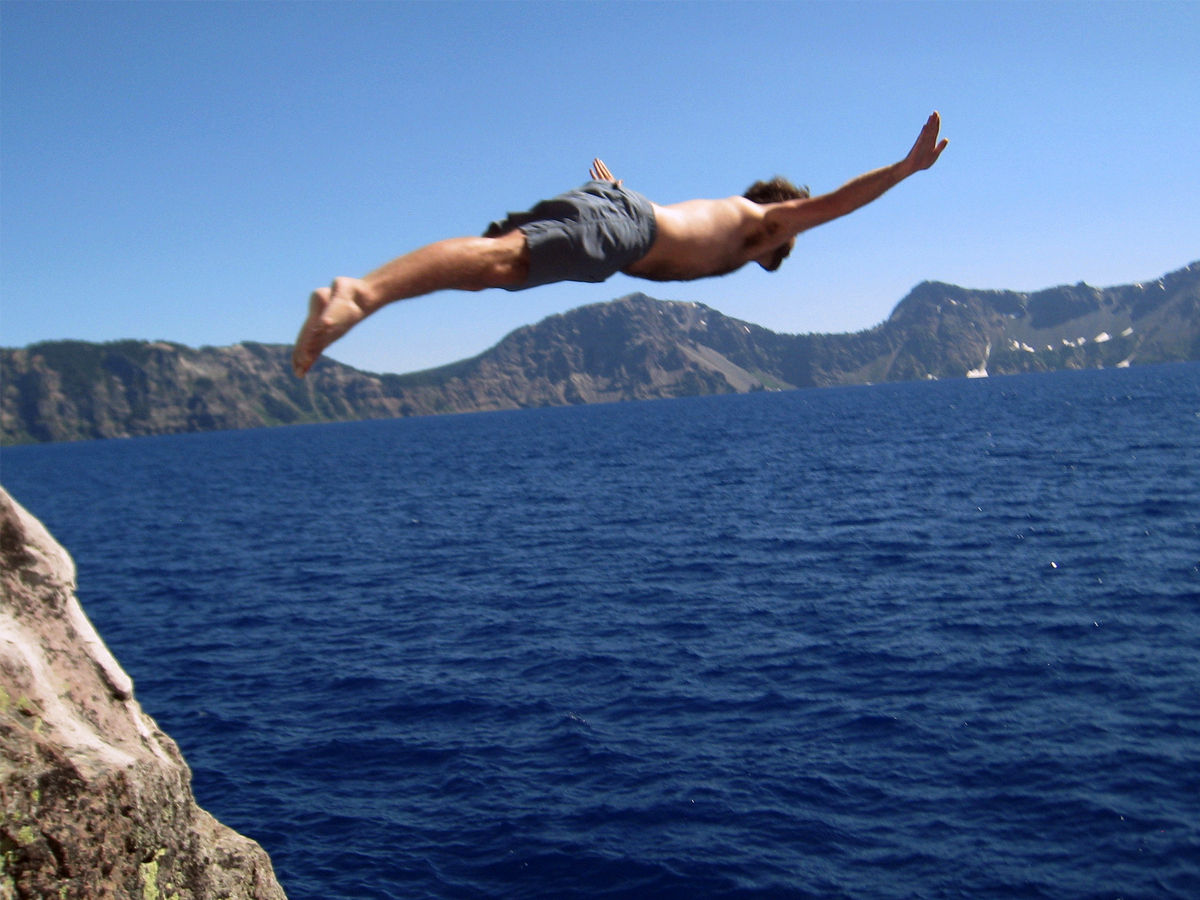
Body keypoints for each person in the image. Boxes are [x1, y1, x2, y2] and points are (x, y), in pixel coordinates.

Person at [292, 112, 948, 377]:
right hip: (624, 226)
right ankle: (360, 294)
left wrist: (613, 196)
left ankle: (367, 293)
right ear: (778, 227)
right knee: (496, 264)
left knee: (487, 269)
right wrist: (903, 171)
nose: (771, 258)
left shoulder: (724, 218)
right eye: (778, 251)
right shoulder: (760, 222)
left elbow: (664, 228)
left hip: (622, 221)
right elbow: (836, 204)